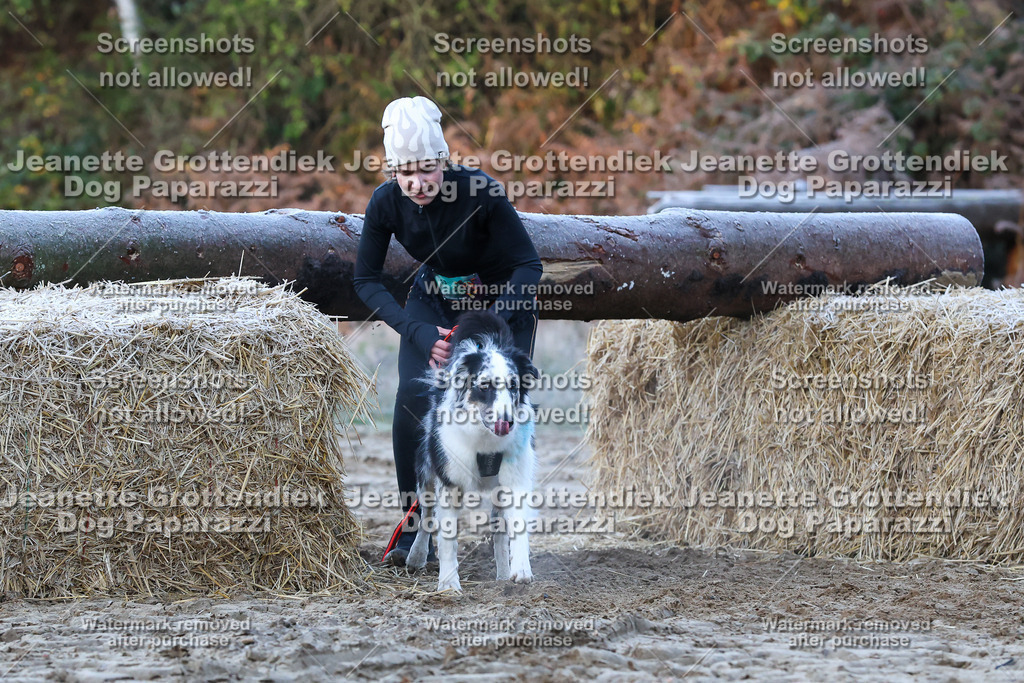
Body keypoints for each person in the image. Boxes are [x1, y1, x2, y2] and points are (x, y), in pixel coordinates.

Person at [353, 96, 542, 565]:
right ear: (392, 171)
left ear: (443, 161)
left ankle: (505, 526)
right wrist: (418, 332)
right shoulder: (385, 202)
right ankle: (414, 529)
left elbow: (528, 265)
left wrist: (489, 323)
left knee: (502, 406)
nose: (417, 183)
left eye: (427, 170)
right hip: (435, 298)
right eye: (405, 172)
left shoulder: (481, 192)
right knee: (412, 402)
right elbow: (365, 280)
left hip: (500, 304)